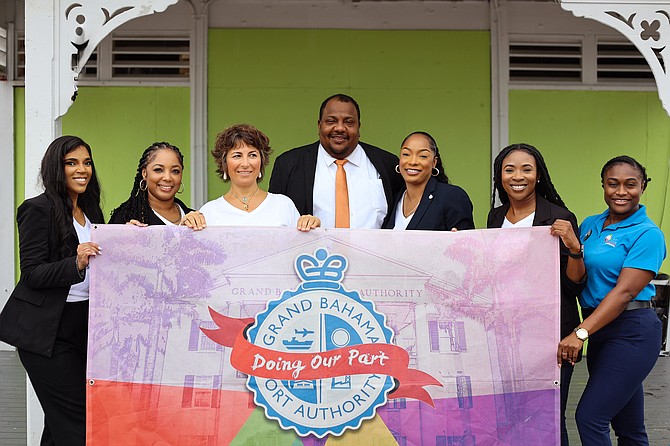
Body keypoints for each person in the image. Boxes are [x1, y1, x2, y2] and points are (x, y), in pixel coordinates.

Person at [0, 135, 104, 445]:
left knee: (61, 424)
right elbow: (32, 273)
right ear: (56, 168)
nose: (81, 169)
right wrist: (76, 262)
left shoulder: (91, 211)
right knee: (79, 421)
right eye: (71, 163)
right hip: (47, 333)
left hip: (83, 327)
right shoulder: (37, 209)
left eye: (86, 162)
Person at [558, 155, 664, 446]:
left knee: (590, 417)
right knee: (629, 426)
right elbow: (578, 275)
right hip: (601, 329)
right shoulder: (591, 224)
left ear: (643, 186)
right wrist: (575, 249)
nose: (621, 191)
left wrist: (580, 333)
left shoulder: (648, 234)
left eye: (630, 185)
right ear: (603, 186)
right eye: (613, 184)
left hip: (632, 330)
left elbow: (624, 293)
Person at [487, 143, 585, 446]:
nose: (518, 176)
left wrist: (573, 248)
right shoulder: (495, 217)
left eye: (527, 169)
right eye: (509, 169)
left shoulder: (559, 216)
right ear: (500, 177)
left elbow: (574, 286)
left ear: (538, 175)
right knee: (511, 415)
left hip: (551, 336)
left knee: (550, 417)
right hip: (507, 335)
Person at [268, 93, 403, 228]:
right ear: (319, 125)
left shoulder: (388, 164)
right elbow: (275, 220)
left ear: (359, 126)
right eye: (331, 121)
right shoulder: (288, 164)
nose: (339, 128)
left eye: (348, 122)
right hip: (311, 249)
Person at [196, 123, 320, 231]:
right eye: (237, 156)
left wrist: (312, 229)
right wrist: (186, 226)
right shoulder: (209, 212)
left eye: (252, 155)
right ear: (224, 163)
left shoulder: (283, 205)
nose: (245, 164)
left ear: (261, 161)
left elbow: (300, 251)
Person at [382, 131, 474, 230]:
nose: (413, 162)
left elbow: (467, 242)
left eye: (423, 156)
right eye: (406, 154)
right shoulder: (393, 199)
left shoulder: (452, 196)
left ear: (434, 162)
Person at [109, 141, 206, 229]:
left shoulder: (193, 217)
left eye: (175, 171)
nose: (167, 178)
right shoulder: (125, 218)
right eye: (158, 170)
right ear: (144, 173)